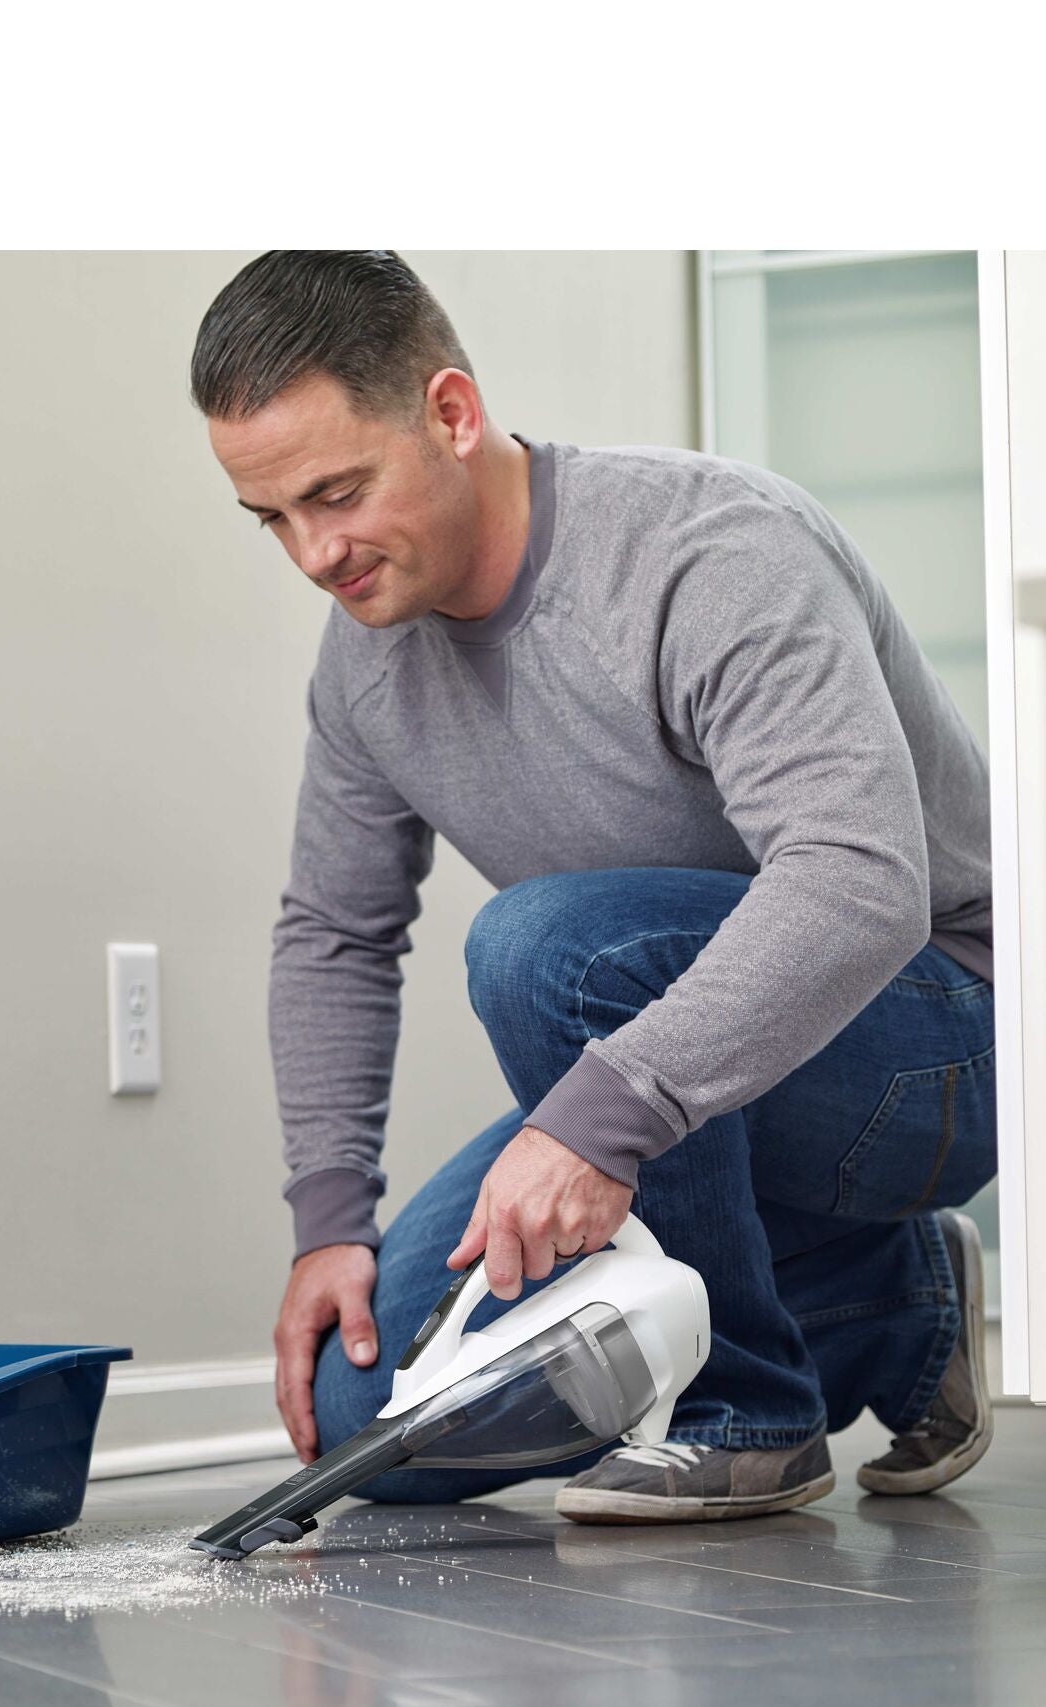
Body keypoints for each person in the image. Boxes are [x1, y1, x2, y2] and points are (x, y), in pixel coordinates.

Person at [190, 251, 998, 1523]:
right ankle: (896, 1305)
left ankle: (749, 1415)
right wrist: (329, 1221)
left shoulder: (710, 549)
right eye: (273, 516)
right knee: (375, 1420)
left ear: (450, 414)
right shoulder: (363, 664)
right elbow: (335, 935)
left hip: (942, 1041)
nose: (312, 553)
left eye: (335, 493)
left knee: (543, 949)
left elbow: (858, 878)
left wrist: (593, 1120)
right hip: (706, 1069)